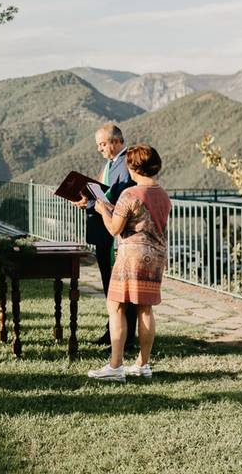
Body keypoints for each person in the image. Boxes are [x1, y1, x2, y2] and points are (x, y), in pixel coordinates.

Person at [87, 145, 171, 381]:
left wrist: (103, 209)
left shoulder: (130, 194)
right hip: (155, 257)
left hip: (131, 257)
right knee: (146, 309)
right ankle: (143, 364)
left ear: (133, 166)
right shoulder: (162, 194)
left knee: (116, 306)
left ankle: (115, 366)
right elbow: (143, 220)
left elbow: (115, 228)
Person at [72, 124, 137, 349]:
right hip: (103, 233)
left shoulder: (127, 164)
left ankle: (125, 337)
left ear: (116, 141)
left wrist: (91, 201)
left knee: (119, 288)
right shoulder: (110, 163)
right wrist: (85, 200)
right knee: (109, 287)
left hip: (113, 236)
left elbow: (119, 199)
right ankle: (112, 331)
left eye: (102, 144)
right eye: (98, 145)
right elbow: (103, 192)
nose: (99, 149)